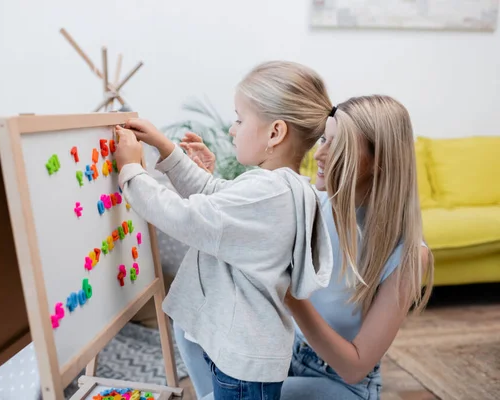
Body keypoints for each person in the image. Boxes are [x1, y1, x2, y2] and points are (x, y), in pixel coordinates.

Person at [175, 95, 434, 399]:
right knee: (189, 319)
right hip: (282, 354)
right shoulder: (307, 202)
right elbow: (239, 217)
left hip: (339, 382)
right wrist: (208, 179)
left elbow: (355, 367)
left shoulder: (407, 255)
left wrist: (290, 293)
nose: (320, 153)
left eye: (338, 145)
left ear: (379, 161)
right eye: (324, 138)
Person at [114, 61, 336, 400]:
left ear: (275, 132)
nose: (232, 129)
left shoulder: (269, 194)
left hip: (245, 366)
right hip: (243, 356)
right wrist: (166, 149)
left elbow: (184, 217)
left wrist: (131, 168)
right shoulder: (279, 186)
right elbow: (215, 193)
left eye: (239, 119)